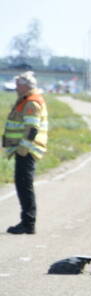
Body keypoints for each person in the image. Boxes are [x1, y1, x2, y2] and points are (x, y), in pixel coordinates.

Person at [2, 72, 47, 234]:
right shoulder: (25, 100)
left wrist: (23, 149)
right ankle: (27, 221)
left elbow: (32, 128)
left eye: (18, 84)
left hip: (26, 151)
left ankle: (28, 223)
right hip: (23, 149)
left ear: (26, 86)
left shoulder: (31, 103)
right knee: (22, 184)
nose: (15, 87)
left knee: (24, 185)